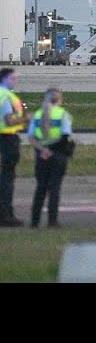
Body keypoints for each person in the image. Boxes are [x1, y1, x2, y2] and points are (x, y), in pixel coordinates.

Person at [27, 88, 73, 228]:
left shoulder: (37, 115)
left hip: (41, 155)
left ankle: (34, 221)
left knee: (40, 188)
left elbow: (31, 137)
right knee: (54, 189)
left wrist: (43, 149)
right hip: (58, 155)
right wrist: (51, 150)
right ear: (59, 99)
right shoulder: (62, 114)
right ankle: (52, 221)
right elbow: (65, 137)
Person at [0, 68, 32, 227]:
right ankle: (6, 215)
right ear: (5, 79)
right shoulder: (5, 96)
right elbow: (8, 121)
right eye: (12, 78)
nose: (15, 81)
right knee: (7, 178)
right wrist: (26, 119)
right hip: (7, 138)